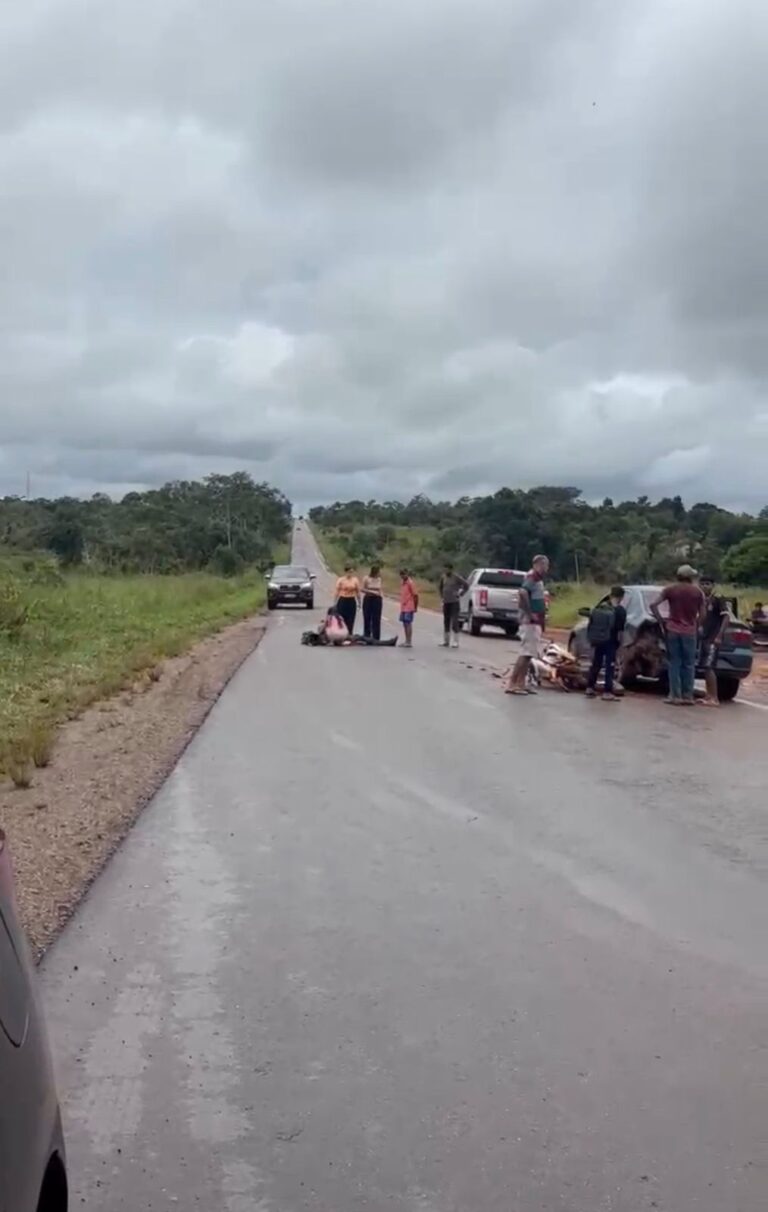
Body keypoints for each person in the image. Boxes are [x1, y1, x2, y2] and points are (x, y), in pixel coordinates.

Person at [650, 564, 706, 705]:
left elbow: (653, 605)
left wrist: (662, 621)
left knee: (674, 662)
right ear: (690, 577)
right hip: (690, 631)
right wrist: (696, 625)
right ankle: (688, 696)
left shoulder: (670, 590)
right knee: (688, 664)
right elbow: (703, 613)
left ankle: (675, 695)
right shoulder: (698, 592)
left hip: (673, 630)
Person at [503, 554, 550, 695]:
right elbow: (523, 593)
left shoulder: (538, 579)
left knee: (529, 654)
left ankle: (521, 683)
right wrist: (530, 613)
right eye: (544, 565)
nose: (546, 568)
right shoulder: (532, 577)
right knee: (525, 654)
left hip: (535, 622)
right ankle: (512, 683)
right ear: (537, 564)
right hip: (529, 622)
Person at [585, 586, 626, 702]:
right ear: (621, 597)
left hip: (599, 639)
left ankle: (590, 687)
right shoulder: (620, 611)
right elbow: (620, 631)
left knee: (596, 663)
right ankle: (607, 692)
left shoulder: (601, 606)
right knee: (610, 666)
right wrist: (621, 645)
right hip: (611, 641)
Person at [698, 575, 730, 707]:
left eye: (708, 584)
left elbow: (726, 617)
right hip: (704, 638)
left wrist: (719, 635)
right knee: (705, 667)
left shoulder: (718, 599)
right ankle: (708, 695)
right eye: (703, 584)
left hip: (713, 637)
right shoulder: (703, 600)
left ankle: (714, 698)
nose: (705, 586)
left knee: (709, 667)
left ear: (713, 585)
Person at [439, 563, 468, 648]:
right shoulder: (443, 577)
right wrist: (442, 596)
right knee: (446, 621)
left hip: (454, 602)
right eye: (445, 569)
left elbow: (466, 585)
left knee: (455, 621)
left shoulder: (456, 577)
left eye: (448, 569)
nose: (446, 571)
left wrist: (461, 593)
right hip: (446, 602)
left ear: (451, 569)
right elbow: (440, 587)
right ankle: (446, 641)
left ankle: (456, 641)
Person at [334, 564, 361, 634]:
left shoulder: (355, 580)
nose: (350, 574)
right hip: (343, 600)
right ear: (346, 572)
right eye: (349, 572)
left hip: (351, 601)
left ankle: (349, 634)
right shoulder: (341, 580)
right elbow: (337, 591)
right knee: (342, 619)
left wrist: (359, 602)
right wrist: (335, 602)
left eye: (351, 572)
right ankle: (341, 634)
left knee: (351, 619)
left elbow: (358, 592)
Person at [362, 564, 384, 640]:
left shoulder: (379, 579)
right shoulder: (366, 578)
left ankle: (376, 636)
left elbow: (380, 589)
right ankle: (367, 634)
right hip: (368, 598)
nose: (379, 574)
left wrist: (380, 595)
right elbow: (363, 589)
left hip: (377, 599)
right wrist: (371, 592)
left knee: (376, 618)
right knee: (367, 616)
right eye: (378, 572)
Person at [399, 568, 418, 648]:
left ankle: (409, 641)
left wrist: (415, 606)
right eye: (402, 574)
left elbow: (415, 595)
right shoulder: (403, 583)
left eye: (404, 574)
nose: (403, 576)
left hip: (409, 606)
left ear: (407, 574)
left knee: (408, 623)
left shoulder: (410, 583)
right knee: (404, 623)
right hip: (403, 606)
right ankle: (406, 640)